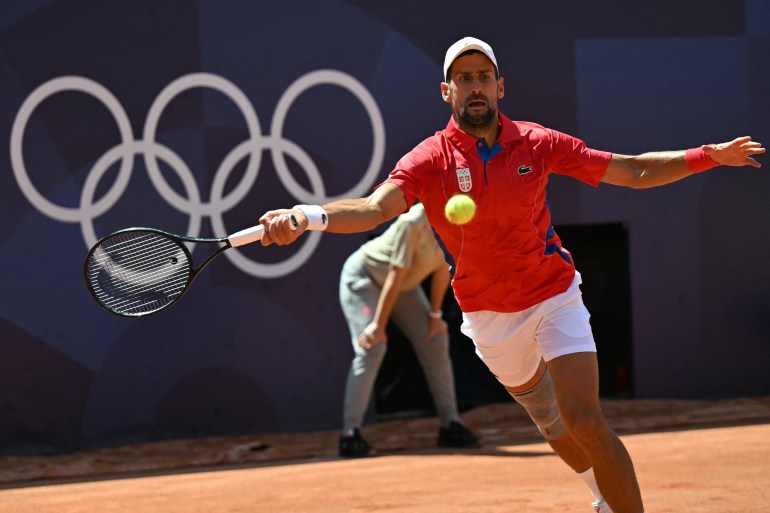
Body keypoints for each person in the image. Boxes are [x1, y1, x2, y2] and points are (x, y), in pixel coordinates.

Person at [259, 37, 765, 513]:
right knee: (553, 424)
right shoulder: (429, 159)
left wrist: (706, 157)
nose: (474, 86)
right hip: (489, 318)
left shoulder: (538, 143)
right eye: (463, 78)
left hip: (554, 295)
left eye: (483, 76)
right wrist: (306, 216)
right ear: (446, 91)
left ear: (500, 86)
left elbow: (630, 169)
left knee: (584, 418)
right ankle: (601, 496)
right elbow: (373, 209)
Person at [337, 202, 480, 457]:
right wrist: (378, 326)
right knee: (373, 348)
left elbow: (442, 272)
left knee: (436, 340)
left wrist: (436, 315)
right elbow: (394, 274)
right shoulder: (412, 222)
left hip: (404, 286)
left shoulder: (459, 225)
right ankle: (350, 434)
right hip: (365, 278)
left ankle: (451, 425)